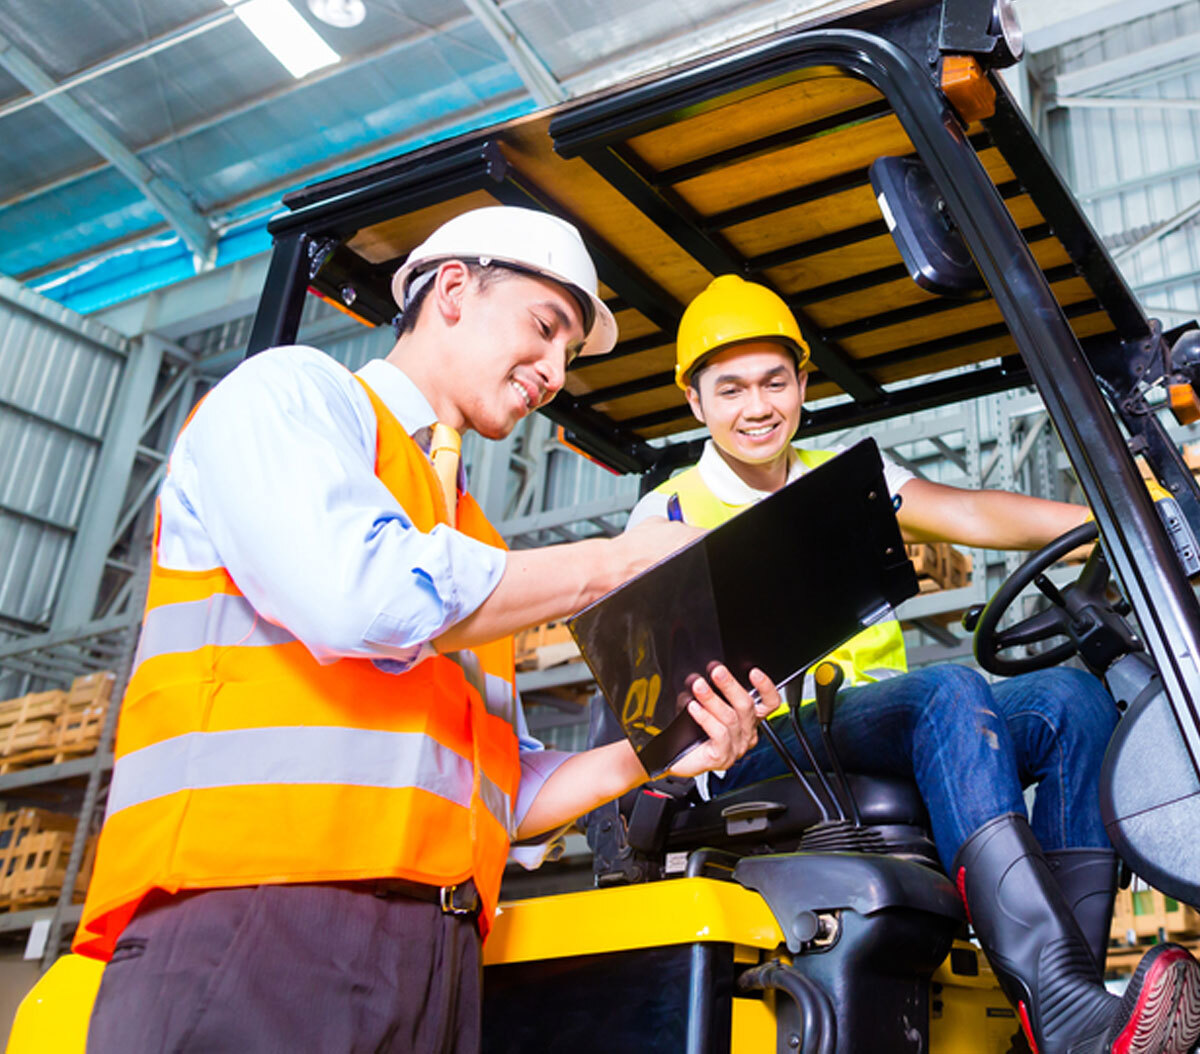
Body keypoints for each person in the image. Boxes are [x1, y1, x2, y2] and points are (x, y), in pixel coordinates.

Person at [76, 209, 779, 1053]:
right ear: (452, 289)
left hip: (437, 950)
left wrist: (664, 750)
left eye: (568, 355)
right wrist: (612, 564)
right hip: (258, 921)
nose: (555, 372)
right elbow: (356, 599)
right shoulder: (290, 397)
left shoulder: (473, 545)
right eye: (545, 327)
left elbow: (502, 791)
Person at [625, 275, 1200, 1054]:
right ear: (696, 402)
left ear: (801, 383)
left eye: (773, 382)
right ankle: (1055, 996)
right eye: (730, 390)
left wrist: (1122, 524)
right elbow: (655, 680)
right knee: (951, 692)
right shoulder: (668, 512)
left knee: (1072, 697)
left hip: (872, 719)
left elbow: (967, 511)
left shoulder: (845, 476)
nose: (756, 407)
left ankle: (1067, 1007)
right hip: (759, 742)